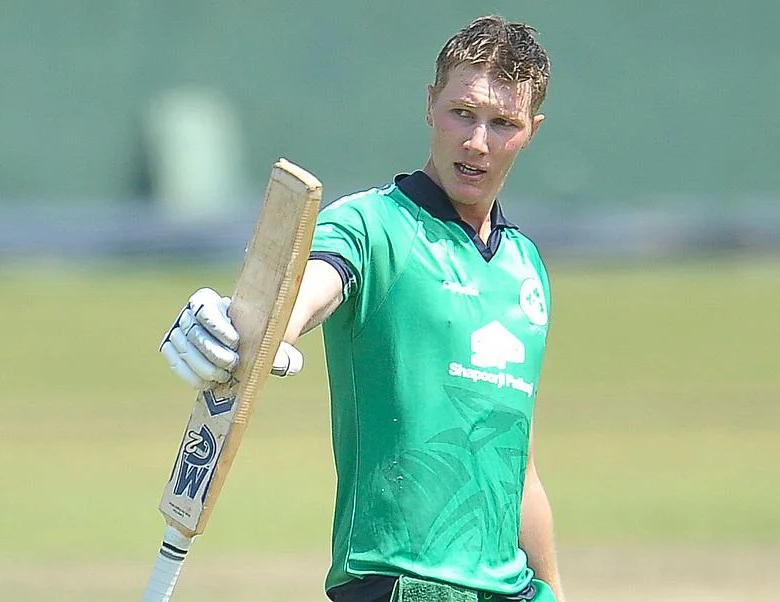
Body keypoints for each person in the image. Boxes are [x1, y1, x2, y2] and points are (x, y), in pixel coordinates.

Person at [160, 15, 565, 602]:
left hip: (511, 590)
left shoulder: (525, 267)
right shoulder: (372, 224)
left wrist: (553, 590)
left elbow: (516, 462)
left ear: (531, 130)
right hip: (403, 583)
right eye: (463, 113)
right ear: (430, 105)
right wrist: (250, 325)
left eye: (503, 123)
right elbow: (307, 290)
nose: (477, 141)